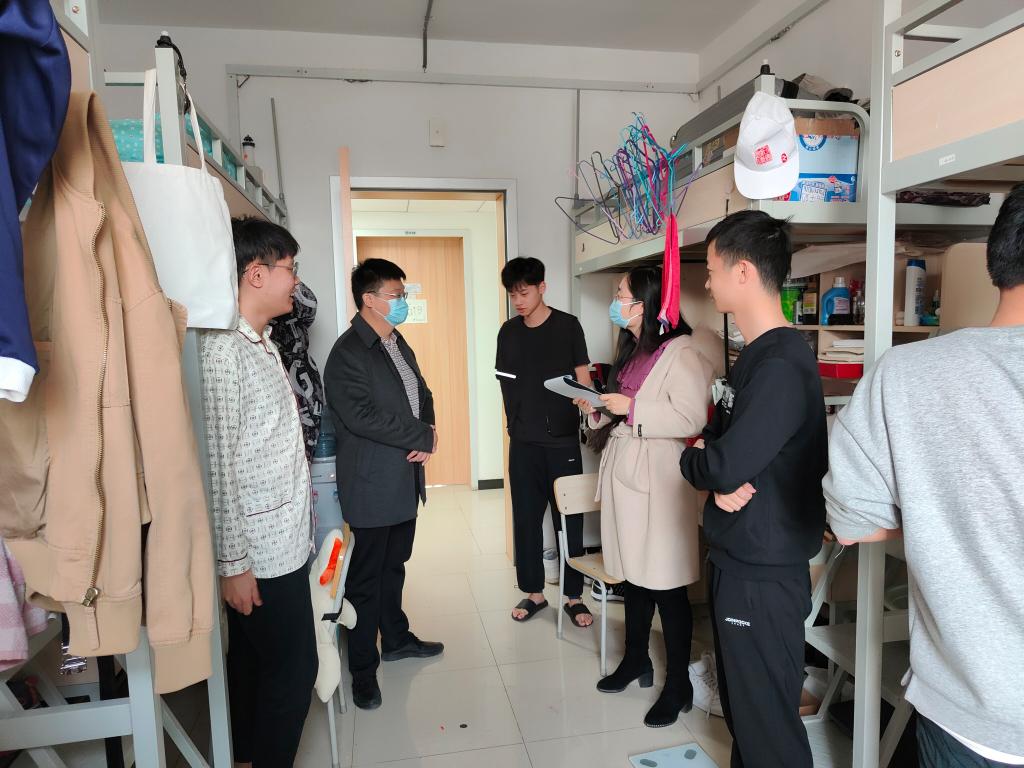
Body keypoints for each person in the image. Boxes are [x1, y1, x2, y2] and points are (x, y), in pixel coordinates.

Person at [823, 185, 1024, 767]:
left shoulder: (908, 375)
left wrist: (940, 519)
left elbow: (852, 522)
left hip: (967, 712)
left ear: (995, 259)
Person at [680, 210, 827, 768]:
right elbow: (718, 449)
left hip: (761, 575)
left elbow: (719, 461)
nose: (707, 282)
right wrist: (710, 462)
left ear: (743, 272)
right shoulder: (755, 356)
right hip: (739, 559)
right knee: (746, 718)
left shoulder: (781, 365)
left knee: (767, 730)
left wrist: (699, 463)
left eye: (712, 269)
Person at [577, 265, 721, 728]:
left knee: (665, 583)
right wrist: (597, 408)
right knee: (633, 579)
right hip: (627, 474)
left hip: (659, 480)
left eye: (621, 294)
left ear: (646, 302)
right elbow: (621, 410)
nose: (616, 302)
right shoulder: (633, 350)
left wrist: (632, 407)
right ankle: (635, 658)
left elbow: (691, 417)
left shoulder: (683, 352)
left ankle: (678, 684)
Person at [200, 217, 317, 768]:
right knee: (294, 671)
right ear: (256, 274)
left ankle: (244, 758)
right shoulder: (225, 353)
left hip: (283, 541)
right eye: (290, 269)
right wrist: (233, 565)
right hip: (260, 554)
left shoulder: (262, 344)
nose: (296, 280)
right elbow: (218, 468)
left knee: (251, 665)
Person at [324, 258, 444, 711]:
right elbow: (360, 416)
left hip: (402, 479)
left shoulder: (395, 341)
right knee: (366, 580)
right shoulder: (348, 353)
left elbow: (421, 393)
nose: (403, 302)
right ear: (369, 300)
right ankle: (362, 671)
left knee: (395, 565)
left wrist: (428, 429)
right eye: (396, 296)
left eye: (403, 295)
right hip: (372, 484)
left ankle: (395, 638)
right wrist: (420, 435)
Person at [495, 257, 593, 627]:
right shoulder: (508, 332)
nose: (518, 301)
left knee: (569, 520)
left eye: (524, 292)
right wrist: (516, 424)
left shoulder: (568, 326)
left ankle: (573, 596)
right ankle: (534, 592)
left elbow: (583, 379)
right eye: (512, 295)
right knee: (526, 519)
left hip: (562, 442)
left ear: (542, 288)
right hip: (523, 443)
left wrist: (587, 400)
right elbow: (505, 384)